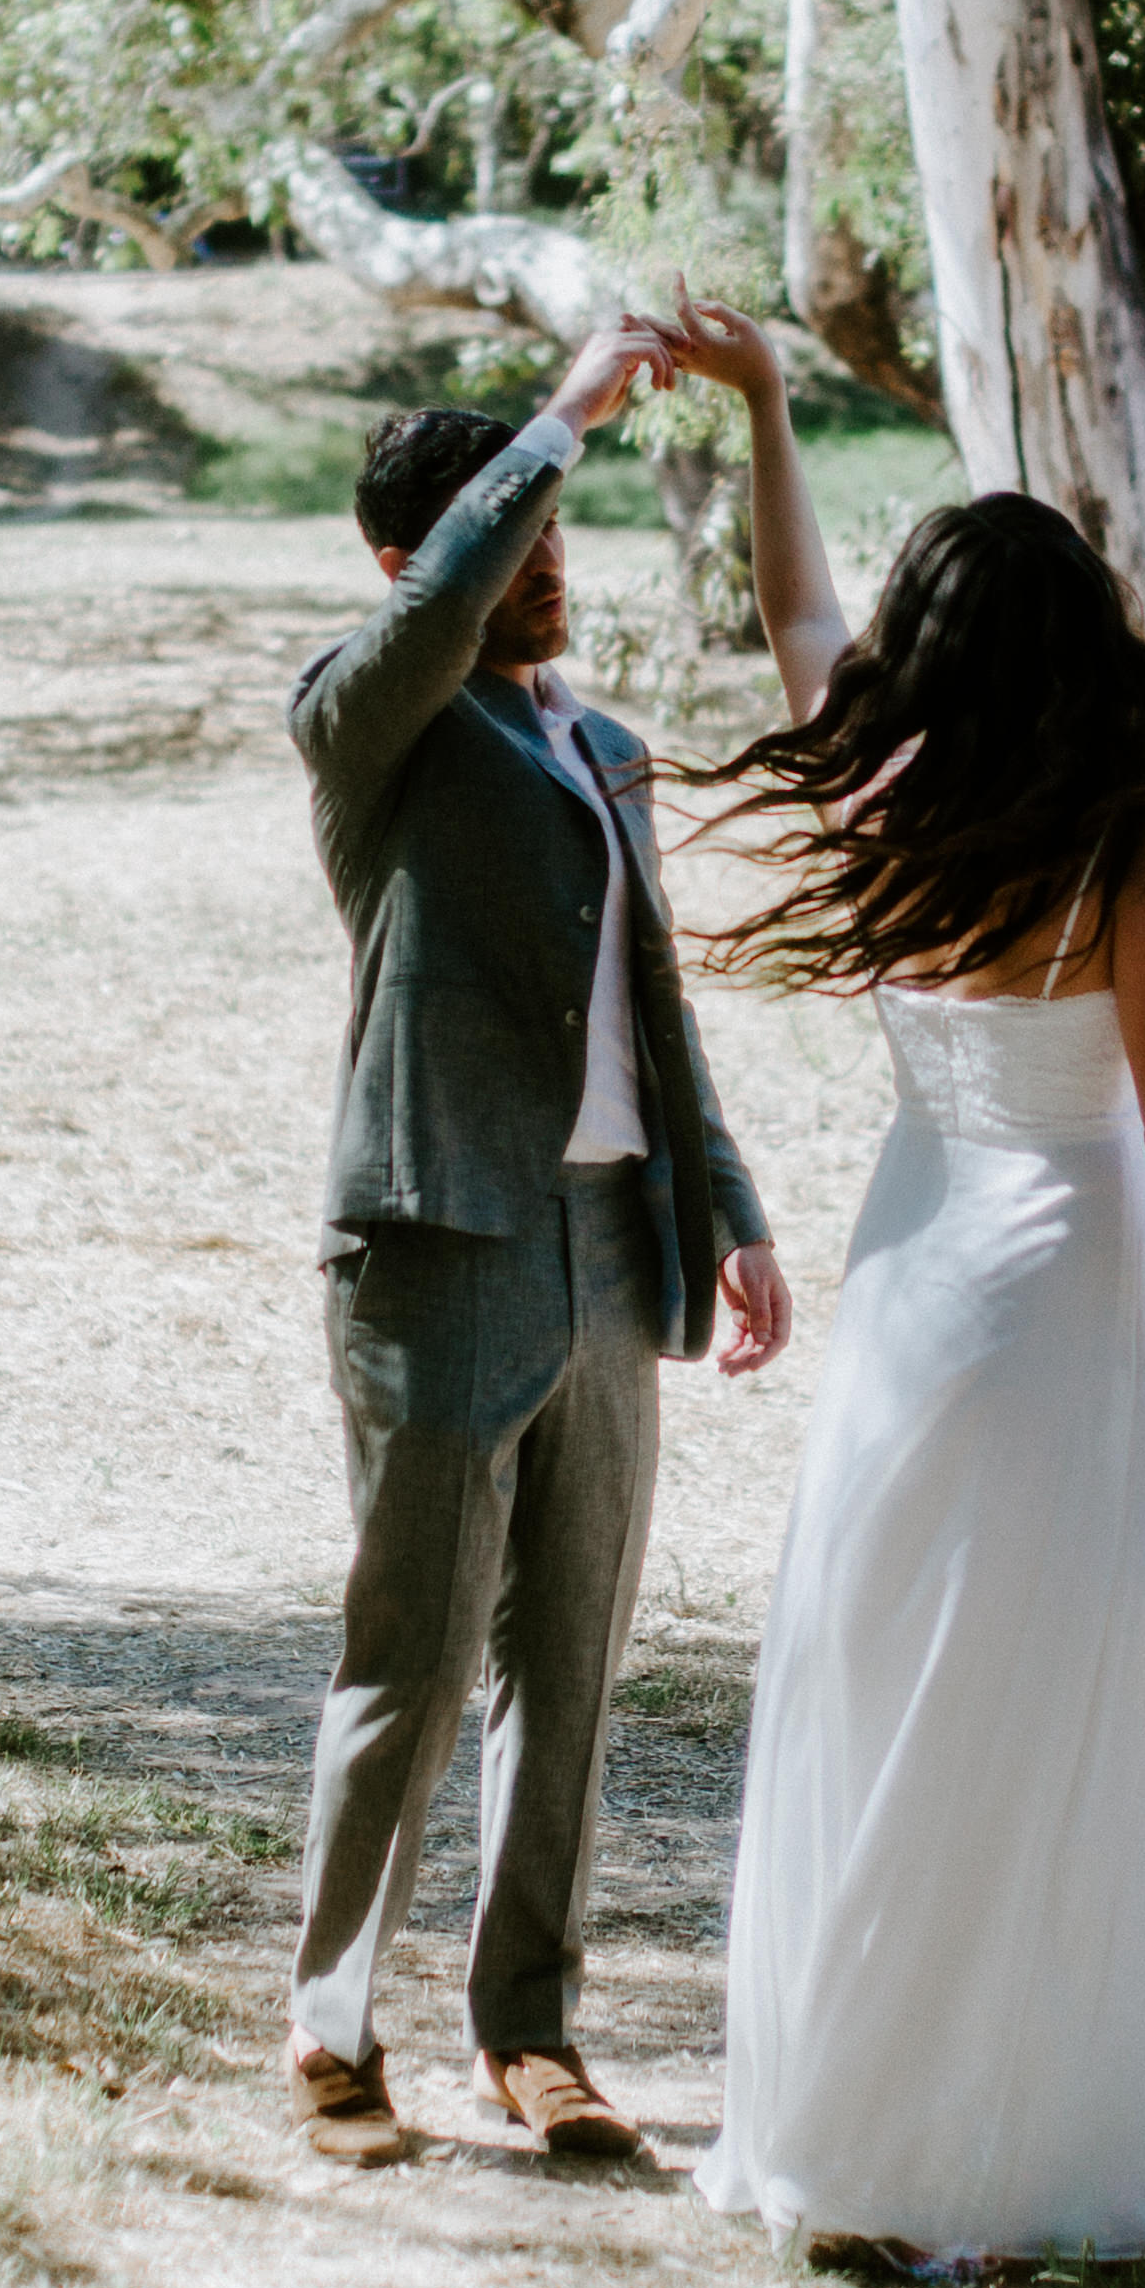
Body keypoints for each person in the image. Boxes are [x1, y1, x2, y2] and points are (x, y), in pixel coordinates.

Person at [664, 302, 1145, 2266]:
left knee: (896, 1682)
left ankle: (869, 2134)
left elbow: (796, 617)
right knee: (1049, 1711)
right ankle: (1046, 2133)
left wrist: (772, 405)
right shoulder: (1128, 820)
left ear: (932, 645)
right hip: (1063, 1284)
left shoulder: (883, 780)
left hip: (912, 1270)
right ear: (1079, 643)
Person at [280, 310, 795, 2171]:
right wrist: (567, 413)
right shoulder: (369, 719)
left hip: (606, 1247)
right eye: (523, 534)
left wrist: (726, 1210)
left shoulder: (610, 750)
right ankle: (332, 2032)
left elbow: (659, 1014)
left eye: (566, 534)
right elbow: (434, 619)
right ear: (430, 562)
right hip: (437, 1242)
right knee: (411, 1655)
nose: (553, 564)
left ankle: (532, 2029)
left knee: (566, 1663)